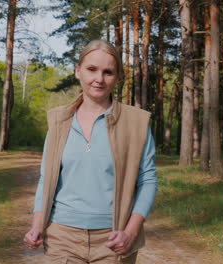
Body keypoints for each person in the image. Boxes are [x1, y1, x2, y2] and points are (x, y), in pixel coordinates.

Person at [23, 40, 157, 264]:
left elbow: (148, 180)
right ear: (78, 71)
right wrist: (37, 226)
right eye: (92, 69)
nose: (99, 79)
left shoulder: (137, 123)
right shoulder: (59, 121)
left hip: (113, 239)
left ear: (116, 77)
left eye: (108, 72)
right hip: (61, 237)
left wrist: (130, 233)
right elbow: (47, 179)